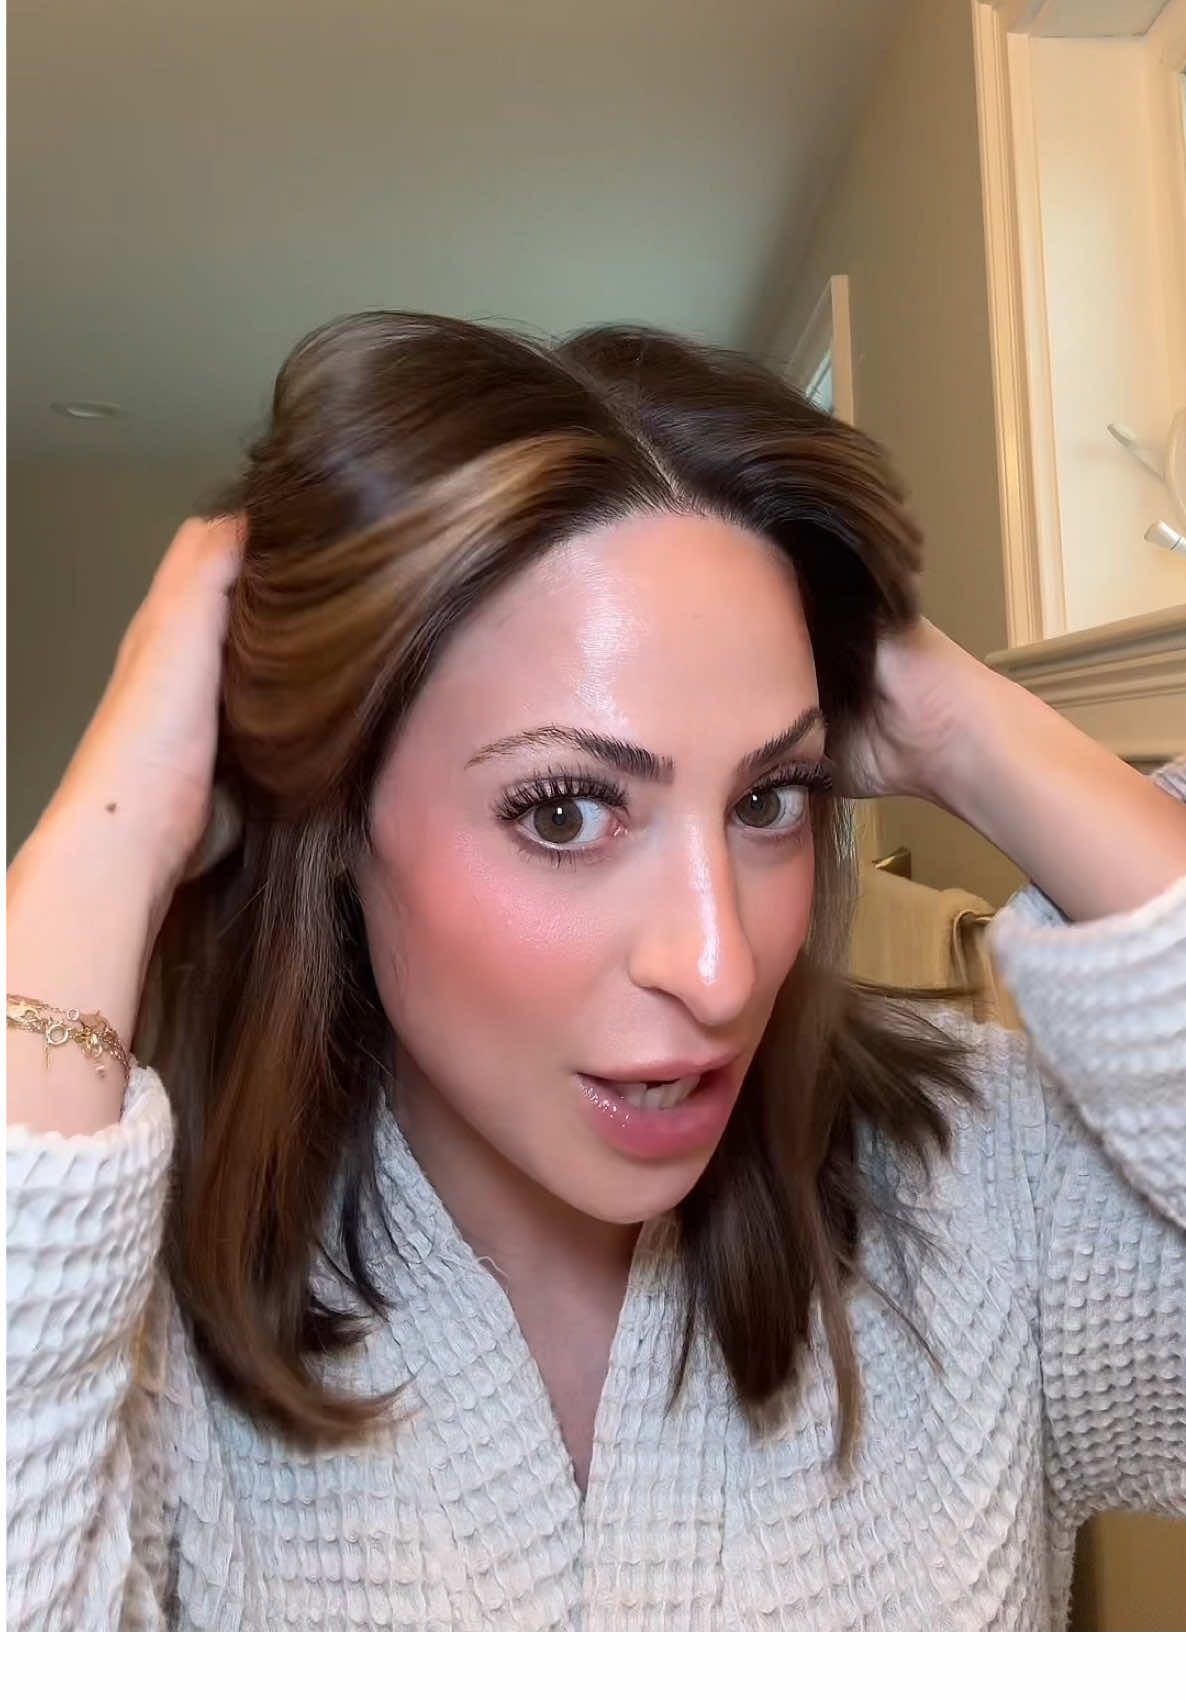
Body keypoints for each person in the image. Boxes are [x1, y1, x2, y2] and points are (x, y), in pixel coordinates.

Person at [7, 312, 1185, 1633]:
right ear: (337, 820)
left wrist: (970, 730)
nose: (719, 968)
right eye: (565, 812)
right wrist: (109, 841)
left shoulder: (979, 1187)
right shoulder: (122, 1329)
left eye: (771, 799)